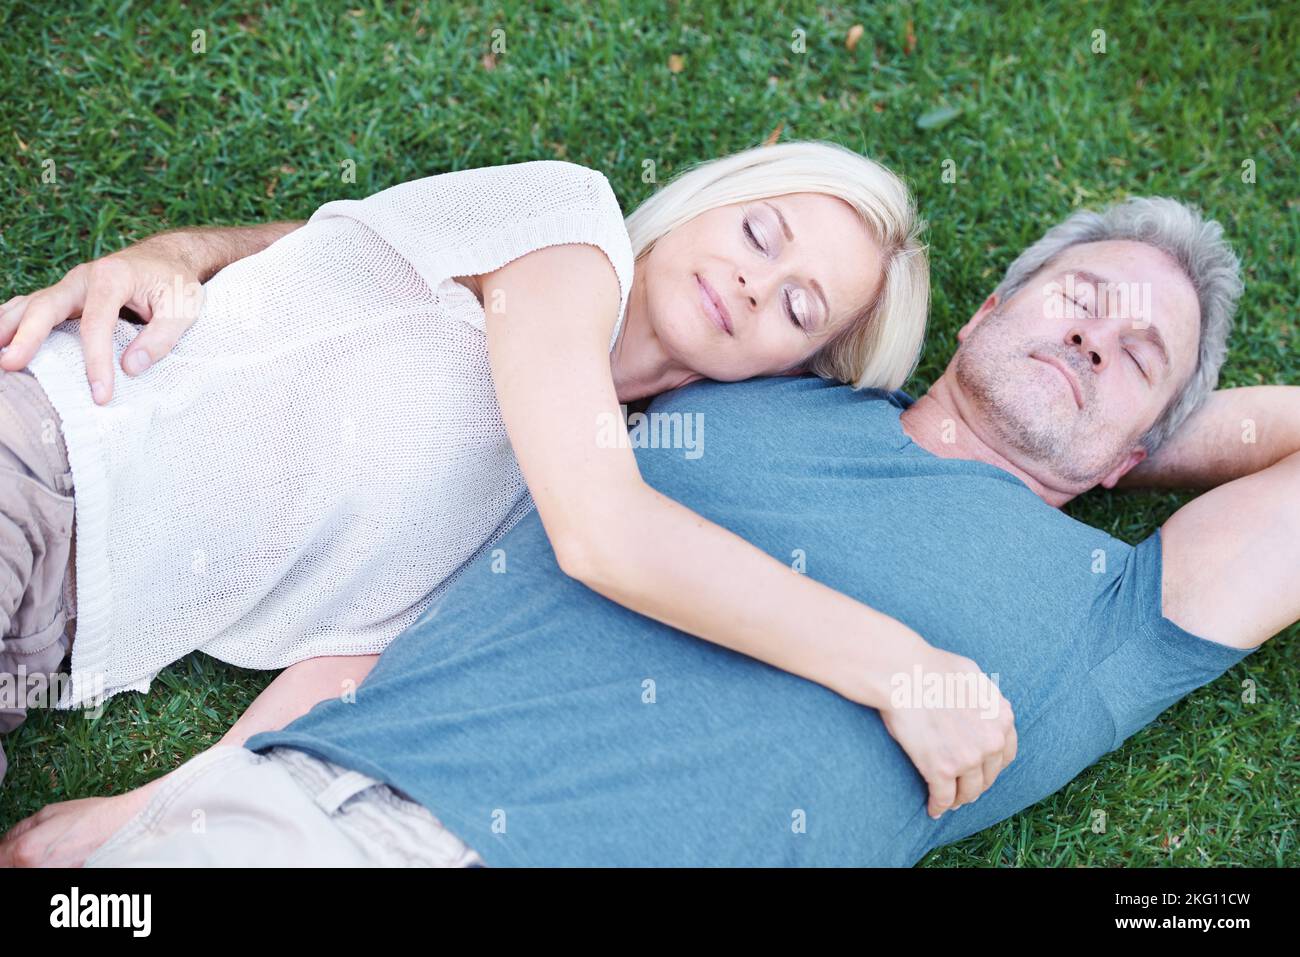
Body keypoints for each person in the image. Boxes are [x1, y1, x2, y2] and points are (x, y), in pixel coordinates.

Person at [3, 195, 1292, 867]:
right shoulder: (750, 384)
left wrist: (1110, 448)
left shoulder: (1113, 611)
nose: (1089, 334)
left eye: (1136, 355)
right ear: (983, 312)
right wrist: (156, 804)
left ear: (1144, 450)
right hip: (323, 814)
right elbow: (452, 263)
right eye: (1078, 301)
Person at [1, 142, 1022, 813]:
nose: (757, 283)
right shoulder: (564, 229)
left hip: (53, 638)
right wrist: (897, 665)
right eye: (760, 234)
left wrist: (146, 817)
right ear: (707, 207)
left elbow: (351, 669)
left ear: (788, 376)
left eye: (799, 309)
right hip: (43, 461)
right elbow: (604, 532)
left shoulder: (569, 482)